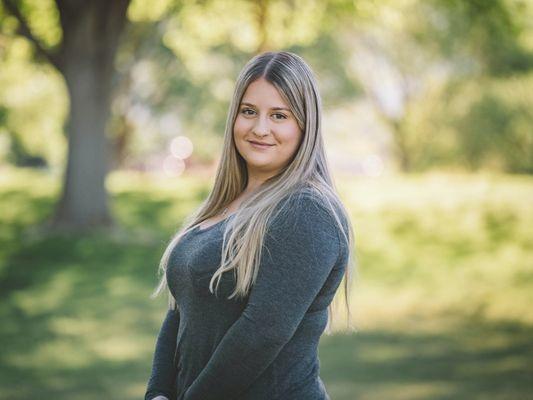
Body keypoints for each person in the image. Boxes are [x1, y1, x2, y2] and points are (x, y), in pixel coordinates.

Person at [144, 50, 356, 400]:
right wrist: (158, 392)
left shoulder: (308, 211)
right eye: (249, 112)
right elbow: (181, 311)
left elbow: (261, 333)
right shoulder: (225, 205)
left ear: (305, 125)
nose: (260, 128)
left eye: (279, 115)